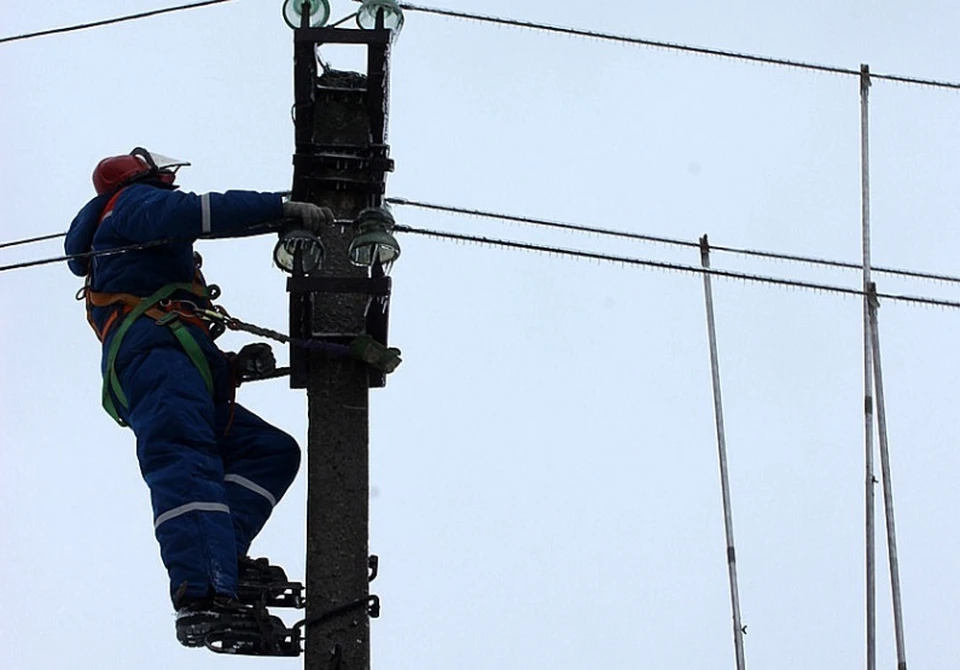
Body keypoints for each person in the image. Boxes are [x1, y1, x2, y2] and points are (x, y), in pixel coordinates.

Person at [64, 147, 349, 650]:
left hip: (179, 361)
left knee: (269, 451)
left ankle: (225, 558)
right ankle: (202, 595)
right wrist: (278, 209)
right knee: (185, 462)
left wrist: (232, 366)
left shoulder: (126, 243)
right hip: (159, 362)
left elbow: (175, 327)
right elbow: (194, 213)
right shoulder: (130, 204)